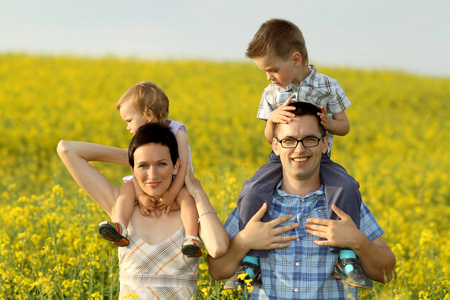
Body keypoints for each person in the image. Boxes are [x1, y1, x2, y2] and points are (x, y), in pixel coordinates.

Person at [228, 18, 370, 290]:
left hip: (320, 156)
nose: (268, 77)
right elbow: (270, 139)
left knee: (348, 186)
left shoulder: (328, 86)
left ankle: (347, 257)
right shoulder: (271, 93)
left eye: (272, 70)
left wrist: (329, 125)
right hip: (279, 158)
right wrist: (272, 120)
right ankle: (251, 260)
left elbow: (345, 126)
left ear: (295, 59)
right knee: (252, 190)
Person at [209, 102, 396, 299]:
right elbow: (217, 271)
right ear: (275, 146)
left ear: (324, 144)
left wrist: (357, 240)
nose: (299, 149)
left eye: (309, 139)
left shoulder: (344, 201)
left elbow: (386, 273)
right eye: (289, 140)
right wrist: (244, 241)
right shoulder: (256, 202)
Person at [57, 122, 229, 299]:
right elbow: (66, 149)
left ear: (176, 166)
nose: (153, 175)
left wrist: (197, 192)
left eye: (161, 164)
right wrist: (135, 152)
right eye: (143, 166)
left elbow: (217, 248)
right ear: (131, 168)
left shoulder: (191, 215)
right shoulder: (123, 208)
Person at [94, 81, 201, 257]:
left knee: (187, 200)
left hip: (176, 182)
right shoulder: (140, 138)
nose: (128, 126)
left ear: (148, 115)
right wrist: (141, 196)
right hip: (148, 185)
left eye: (129, 120)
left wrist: (172, 194)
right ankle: (120, 225)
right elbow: (136, 173)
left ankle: (191, 238)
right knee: (126, 189)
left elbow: (182, 166)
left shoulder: (177, 130)